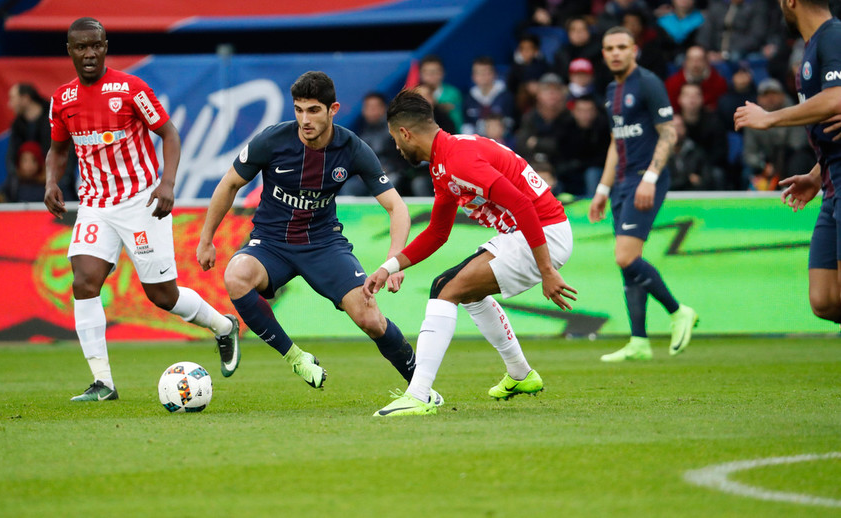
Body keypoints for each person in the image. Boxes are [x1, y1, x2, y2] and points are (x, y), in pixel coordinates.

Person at [45, 18, 239, 402]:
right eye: (81, 47)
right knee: (83, 282)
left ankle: (223, 326)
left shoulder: (131, 88)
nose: (89, 54)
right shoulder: (62, 100)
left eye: (95, 46)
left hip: (141, 202)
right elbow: (59, 148)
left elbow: (169, 133)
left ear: (105, 46)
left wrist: (167, 184)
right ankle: (103, 383)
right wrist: (52, 181)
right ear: (69, 50)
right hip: (95, 205)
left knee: (162, 296)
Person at [196, 71, 424, 394]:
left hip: (323, 244)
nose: (305, 119)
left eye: (314, 110)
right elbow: (229, 183)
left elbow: (397, 207)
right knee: (236, 274)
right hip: (271, 244)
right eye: (299, 109)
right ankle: (296, 357)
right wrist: (206, 240)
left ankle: (420, 384)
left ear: (334, 110)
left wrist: (394, 260)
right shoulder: (272, 140)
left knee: (370, 318)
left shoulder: (352, 148)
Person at [363, 90, 576, 417]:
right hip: (532, 233)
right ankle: (520, 374)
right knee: (465, 292)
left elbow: (520, 203)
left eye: (395, 138)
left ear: (405, 133)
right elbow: (437, 232)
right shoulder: (444, 161)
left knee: (444, 288)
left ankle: (418, 394)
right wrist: (388, 267)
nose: (396, 146)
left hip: (542, 233)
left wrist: (547, 270)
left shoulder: (458, 160)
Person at [589, 26, 699, 362]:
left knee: (625, 256)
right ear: (604, 53)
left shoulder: (648, 83)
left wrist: (650, 177)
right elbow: (615, 141)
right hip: (622, 183)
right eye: (609, 48)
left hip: (644, 179)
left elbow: (669, 134)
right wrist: (602, 189)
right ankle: (638, 341)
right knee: (627, 265)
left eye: (622, 46)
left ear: (634, 50)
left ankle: (679, 311)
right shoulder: (611, 90)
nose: (616, 53)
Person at [734, 0, 841, 323]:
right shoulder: (813, 45)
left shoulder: (832, 35)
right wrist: (815, 173)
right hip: (830, 179)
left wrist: (770, 118)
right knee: (824, 299)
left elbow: (835, 97)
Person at [5, 83, 77, 202]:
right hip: (25, 187)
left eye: (12, 98)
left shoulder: (55, 119)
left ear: (26, 98)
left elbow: (66, 152)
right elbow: (11, 157)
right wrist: (15, 177)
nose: (9, 104)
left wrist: (62, 179)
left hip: (57, 185)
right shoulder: (17, 125)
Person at [665, 46, 729, 113]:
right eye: (691, 60)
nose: (695, 65)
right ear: (685, 62)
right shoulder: (672, 84)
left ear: (707, 61)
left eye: (699, 60)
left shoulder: (719, 83)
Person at [463, 56, 513, 136]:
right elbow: (467, 125)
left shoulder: (505, 96)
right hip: (476, 142)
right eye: (479, 73)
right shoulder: (469, 98)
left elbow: (510, 123)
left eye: (487, 73)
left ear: (494, 74)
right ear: (473, 77)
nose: (483, 77)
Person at [418, 55, 464, 133]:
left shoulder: (453, 94)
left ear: (442, 73)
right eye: (427, 72)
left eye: (435, 71)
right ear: (420, 74)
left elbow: (457, 122)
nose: (431, 75)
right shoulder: (416, 94)